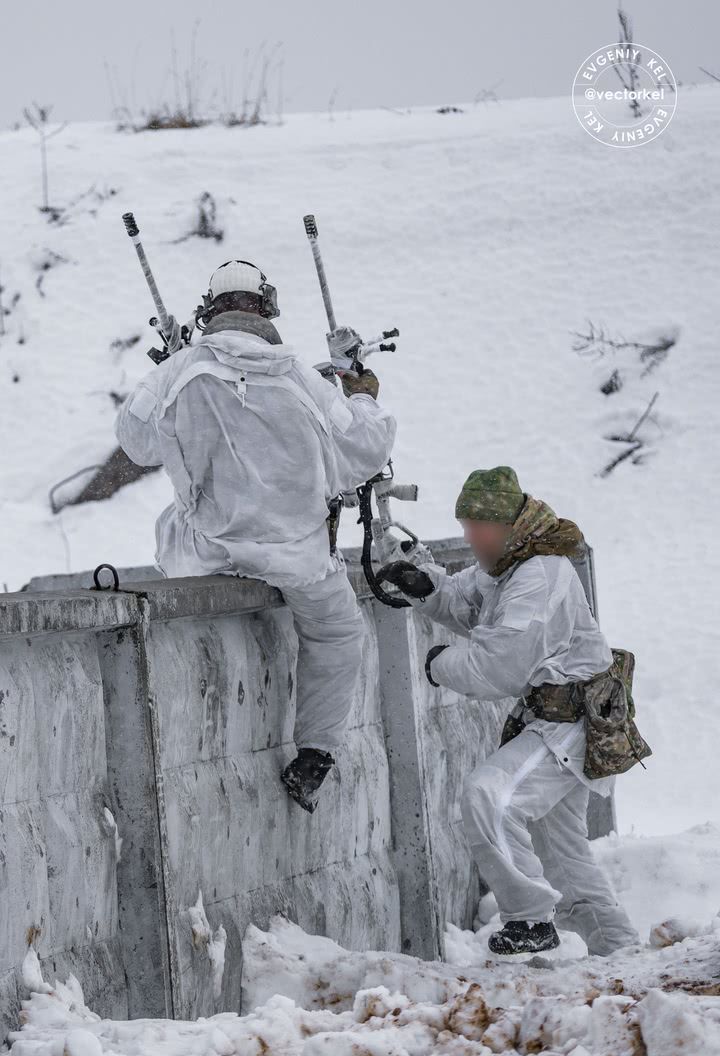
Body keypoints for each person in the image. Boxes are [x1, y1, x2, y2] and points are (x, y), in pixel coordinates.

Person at [115, 259, 396, 812]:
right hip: (297, 558)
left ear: (209, 312)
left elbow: (135, 442)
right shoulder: (302, 378)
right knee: (338, 633)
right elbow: (365, 450)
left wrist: (175, 368)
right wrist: (361, 392)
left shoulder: (178, 372)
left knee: (170, 530)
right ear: (266, 308)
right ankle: (314, 752)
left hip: (207, 553)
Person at [376, 466, 641, 956]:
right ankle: (622, 955)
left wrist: (440, 665)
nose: (469, 536)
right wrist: (425, 585)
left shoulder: (539, 575)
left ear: (506, 526)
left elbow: (498, 666)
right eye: (465, 525)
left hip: (570, 723)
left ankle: (529, 923)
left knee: (490, 798)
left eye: (477, 527)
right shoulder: (507, 565)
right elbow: (466, 603)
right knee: (562, 860)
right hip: (554, 720)